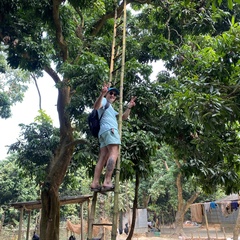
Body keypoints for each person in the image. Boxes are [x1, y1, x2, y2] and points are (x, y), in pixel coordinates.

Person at [90, 83, 136, 192]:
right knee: (114, 153)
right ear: (107, 94)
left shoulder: (110, 107)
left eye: (115, 94)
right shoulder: (104, 101)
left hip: (103, 133)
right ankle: (107, 181)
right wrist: (102, 94)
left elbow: (123, 117)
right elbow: (96, 107)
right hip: (110, 130)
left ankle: (95, 183)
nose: (113, 95)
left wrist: (129, 106)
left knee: (103, 157)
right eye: (111, 93)